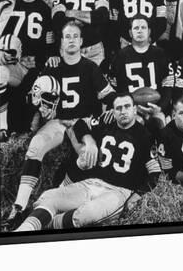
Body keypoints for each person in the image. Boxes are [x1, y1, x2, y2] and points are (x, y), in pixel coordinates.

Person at [7, 21, 115, 228]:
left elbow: (108, 95)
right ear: (61, 41)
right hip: (59, 121)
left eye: (75, 36)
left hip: (82, 122)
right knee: (36, 145)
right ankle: (18, 207)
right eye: (67, 36)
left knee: (88, 159)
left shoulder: (90, 67)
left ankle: (57, 201)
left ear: (81, 41)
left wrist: (114, 107)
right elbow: (35, 97)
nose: (72, 40)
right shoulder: (52, 65)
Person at [14, 93, 161, 231]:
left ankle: (45, 224)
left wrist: (137, 195)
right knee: (50, 197)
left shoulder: (145, 136)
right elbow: (79, 124)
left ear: (135, 109)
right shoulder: (106, 122)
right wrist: (89, 141)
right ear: (113, 112)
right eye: (119, 108)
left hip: (118, 191)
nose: (123, 111)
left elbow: (155, 172)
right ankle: (22, 231)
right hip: (92, 183)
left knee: (87, 214)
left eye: (127, 106)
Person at [0, 0, 56, 137]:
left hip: (34, 66)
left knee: (39, 93)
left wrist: (43, 61)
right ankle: (2, 128)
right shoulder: (7, 7)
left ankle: (35, 125)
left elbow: (49, 43)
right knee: (0, 73)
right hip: (12, 65)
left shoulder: (45, 10)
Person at [109, 15, 173, 130]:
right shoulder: (120, 56)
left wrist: (160, 108)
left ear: (149, 31)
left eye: (143, 27)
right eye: (136, 28)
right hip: (130, 109)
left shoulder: (161, 54)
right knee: (134, 124)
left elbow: (168, 87)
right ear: (130, 32)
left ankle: (160, 147)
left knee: (161, 121)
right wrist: (129, 107)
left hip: (156, 106)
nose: (139, 31)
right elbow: (116, 90)